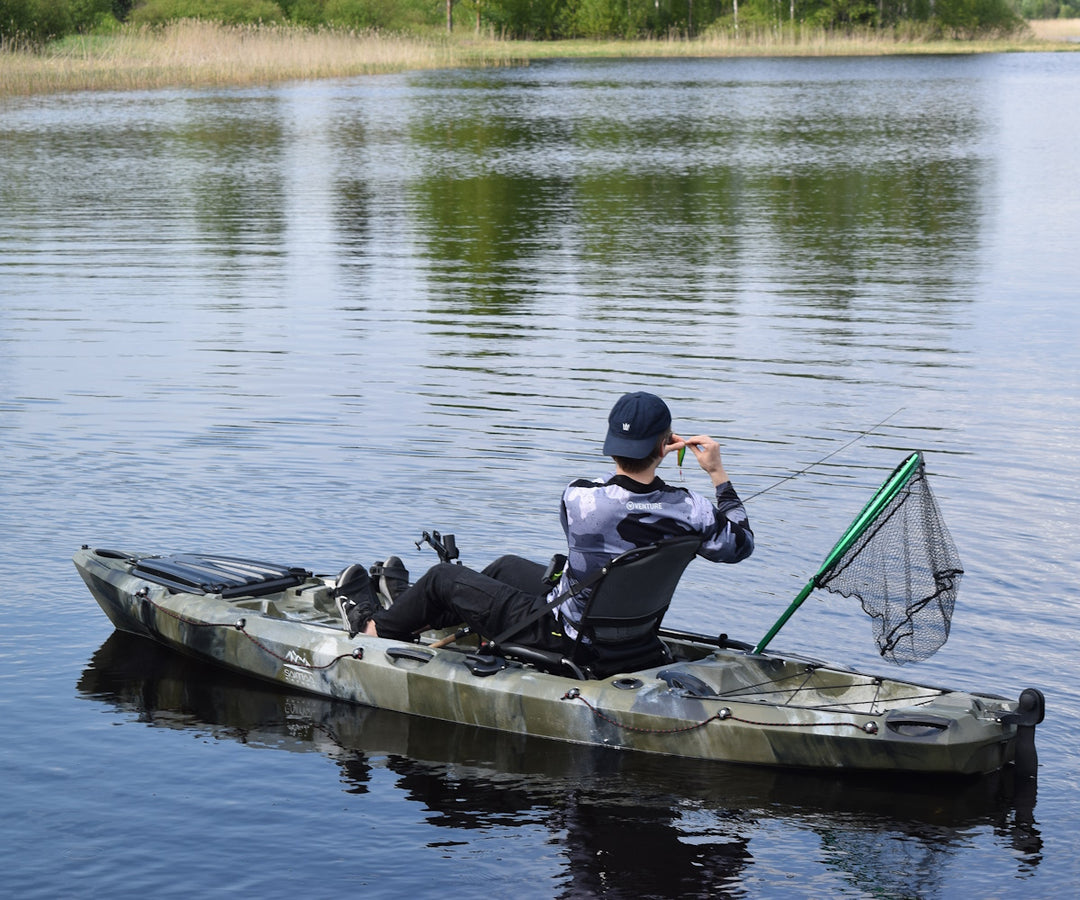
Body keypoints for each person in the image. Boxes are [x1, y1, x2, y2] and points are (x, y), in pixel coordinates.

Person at [338, 392, 754, 654]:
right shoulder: (693, 510)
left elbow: (615, 493)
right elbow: (740, 544)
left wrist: (650, 454)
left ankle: (373, 627)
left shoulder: (580, 498)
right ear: (666, 445)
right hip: (633, 633)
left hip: (564, 634)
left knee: (443, 577)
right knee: (505, 567)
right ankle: (416, 613)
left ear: (613, 445)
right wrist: (717, 474)